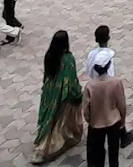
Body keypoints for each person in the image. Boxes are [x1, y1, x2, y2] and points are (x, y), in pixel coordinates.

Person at [30, 30, 84, 164]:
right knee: (60, 121)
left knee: (49, 118)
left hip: (49, 93)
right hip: (62, 95)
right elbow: (72, 80)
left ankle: (42, 146)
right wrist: (78, 93)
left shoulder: (48, 56)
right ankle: (53, 146)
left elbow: (46, 76)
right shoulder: (68, 59)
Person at [83, 57, 130, 167]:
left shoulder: (90, 86)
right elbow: (121, 105)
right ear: (108, 66)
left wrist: (89, 120)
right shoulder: (116, 83)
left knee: (97, 153)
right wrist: (122, 120)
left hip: (96, 124)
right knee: (113, 153)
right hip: (113, 121)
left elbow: (86, 109)